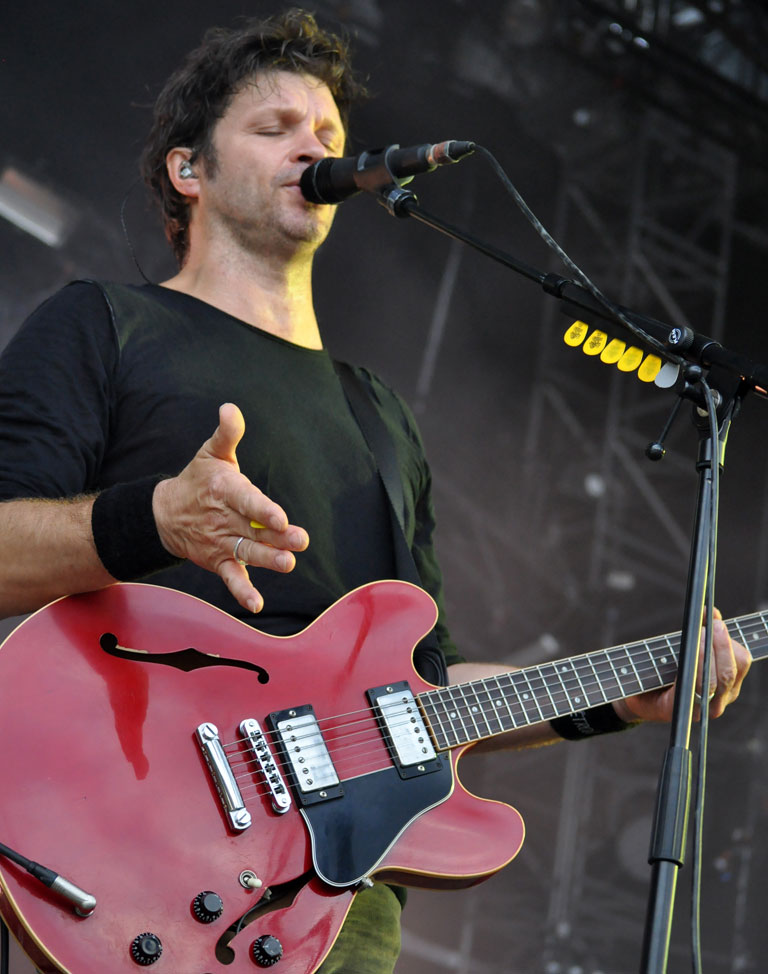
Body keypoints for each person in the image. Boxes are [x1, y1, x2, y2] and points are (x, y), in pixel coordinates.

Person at [0, 9, 751, 973]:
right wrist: (154, 517)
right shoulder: (103, 325)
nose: (312, 147)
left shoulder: (382, 419)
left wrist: (617, 699)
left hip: (328, 910)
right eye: (274, 127)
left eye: (327, 132)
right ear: (189, 170)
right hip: (128, 850)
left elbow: (423, 689)